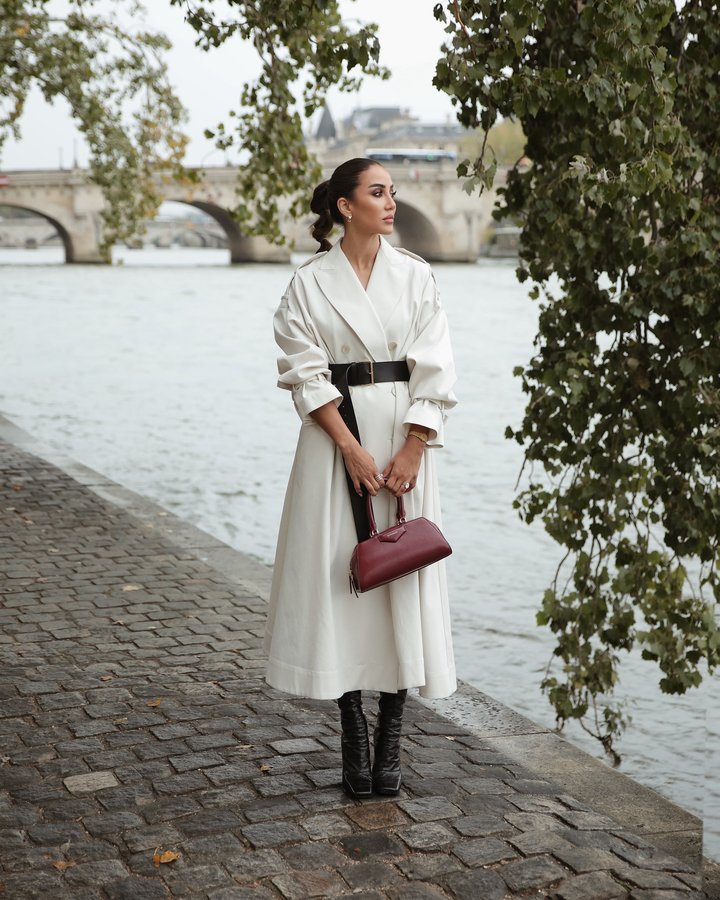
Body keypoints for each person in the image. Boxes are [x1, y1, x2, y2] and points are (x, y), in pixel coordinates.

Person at [264, 157, 458, 799]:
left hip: (404, 441)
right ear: (346, 206)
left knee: (400, 575)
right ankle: (352, 723)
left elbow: (437, 370)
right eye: (378, 193)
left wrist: (414, 448)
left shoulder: (417, 277)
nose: (391, 202)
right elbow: (303, 371)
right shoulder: (307, 284)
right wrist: (348, 446)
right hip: (333, 443)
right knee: (341, 578)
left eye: (393, 193)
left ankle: (393, 732)